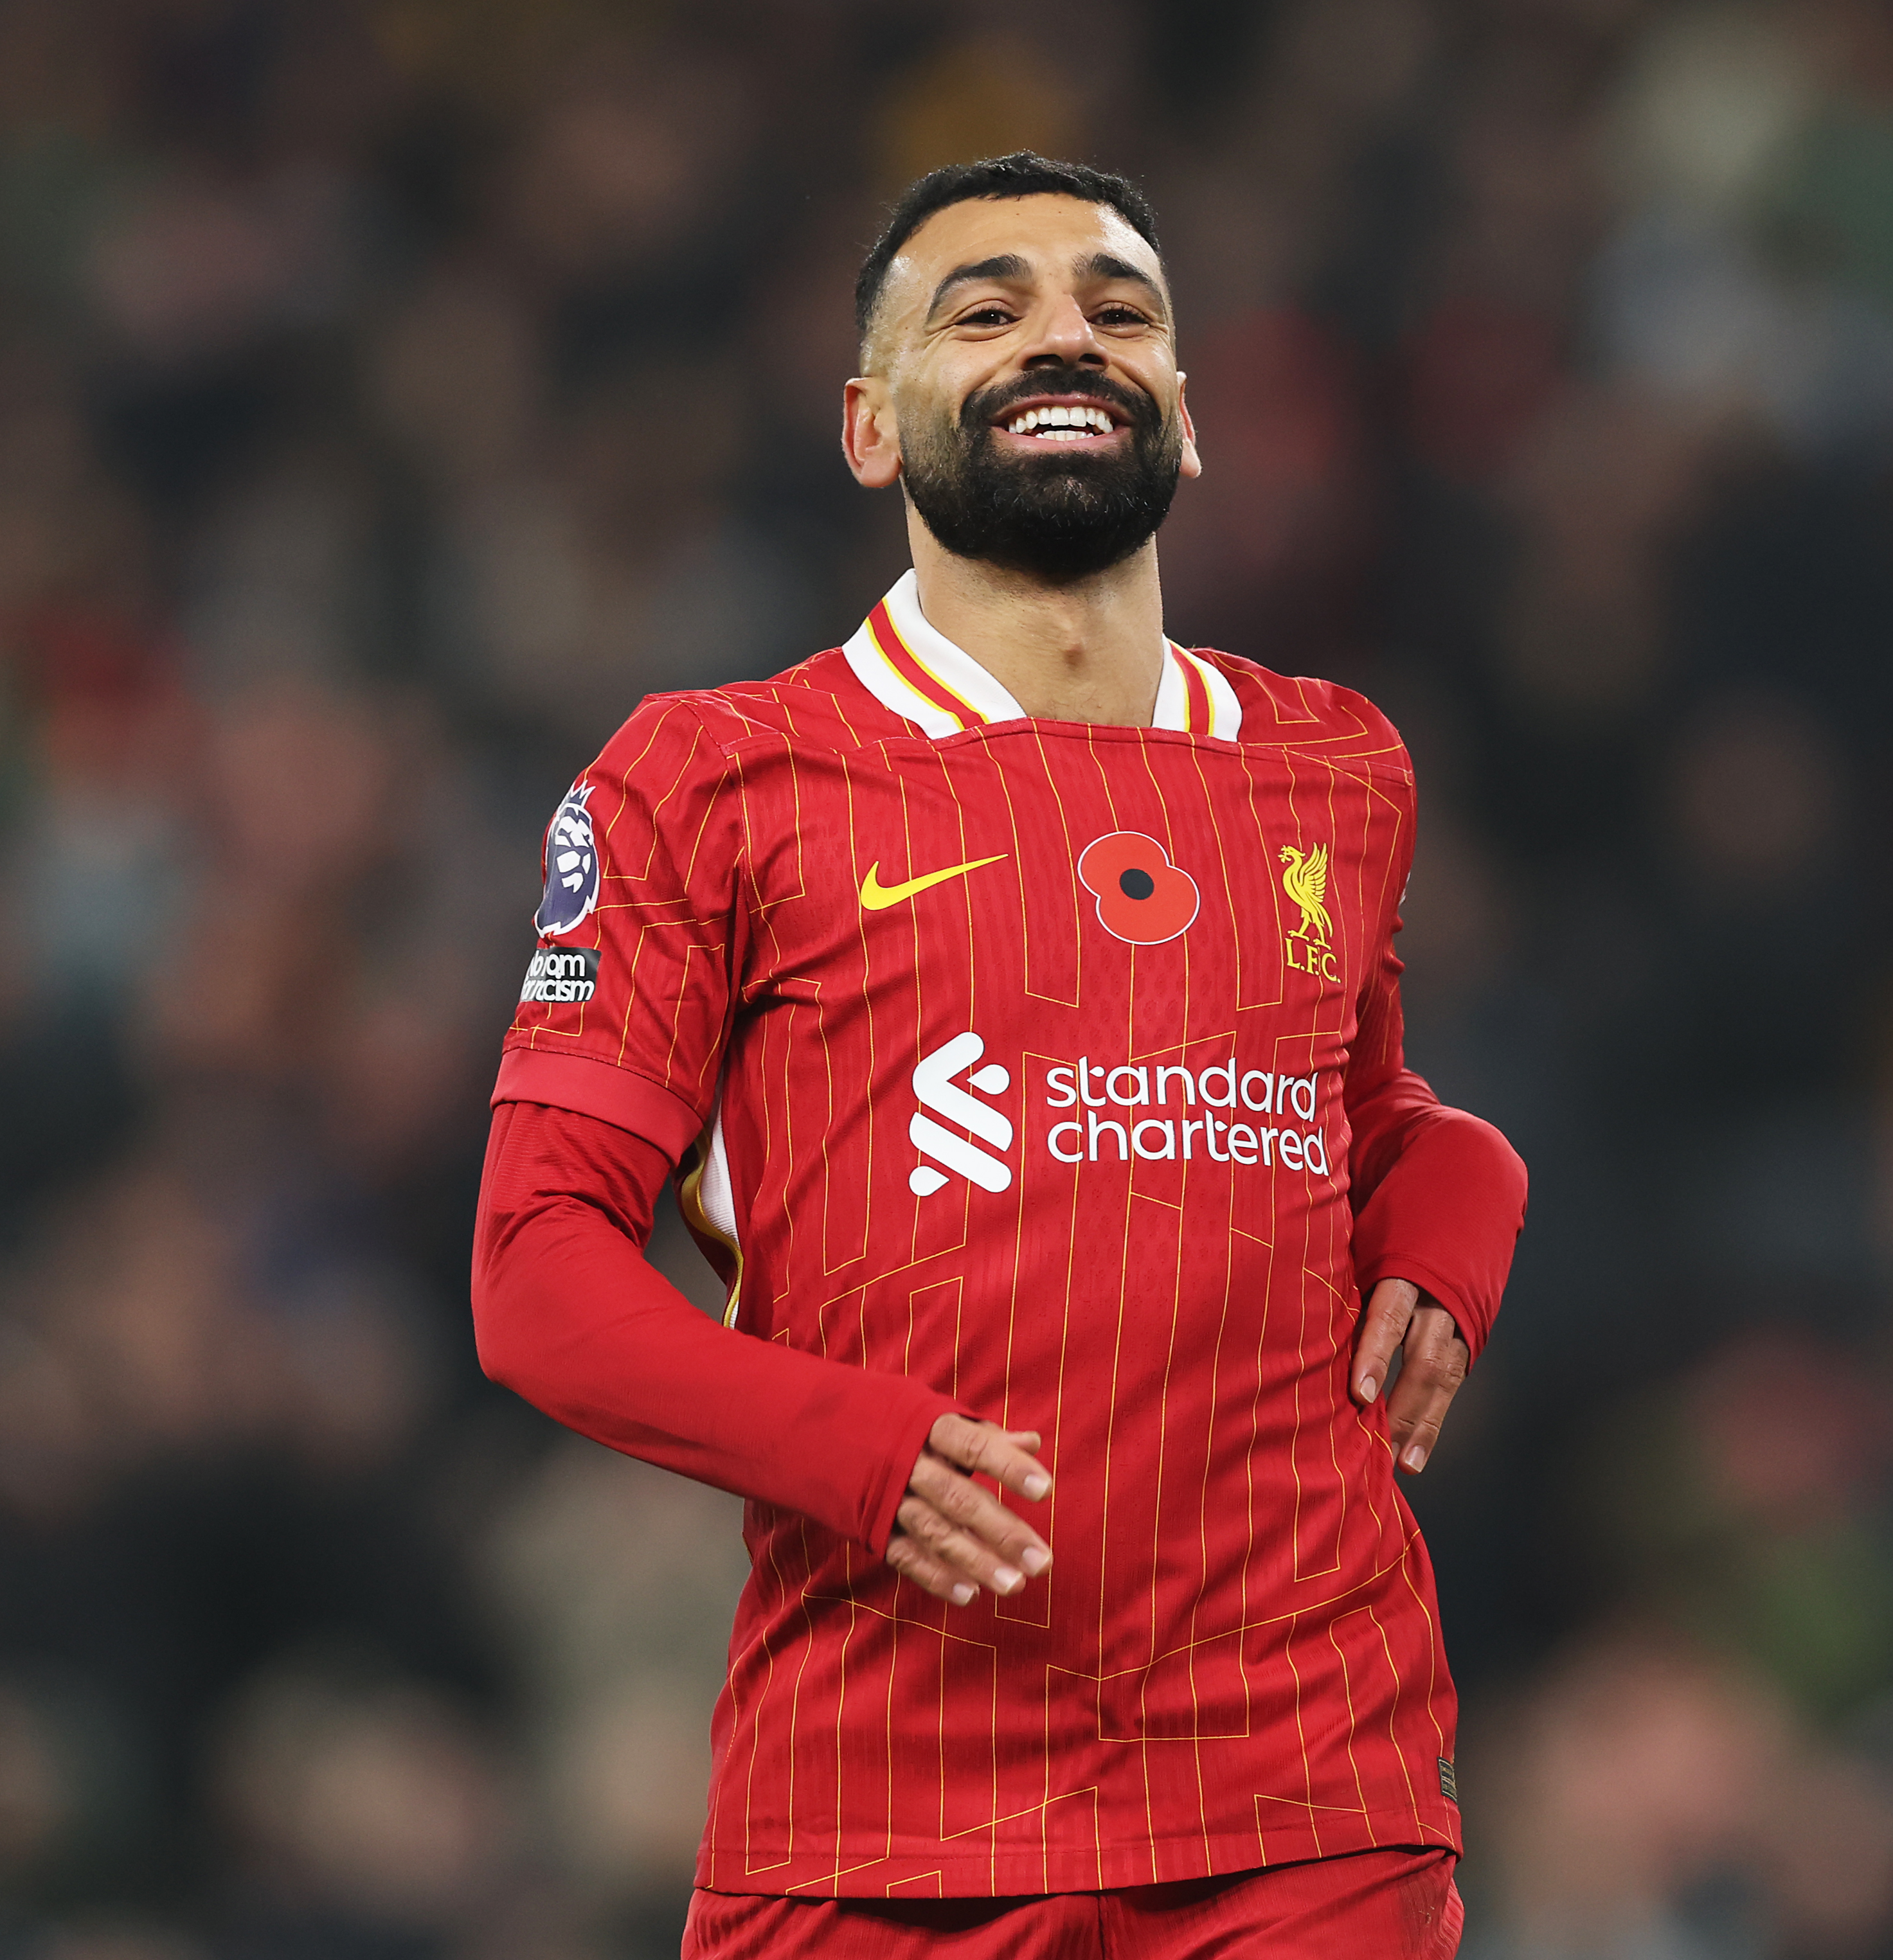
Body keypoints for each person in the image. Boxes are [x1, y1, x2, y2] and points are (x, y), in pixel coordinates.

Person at [471, 152, 1527, 1959]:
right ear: (873, 428)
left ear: (1187, 425)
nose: (1067, 333)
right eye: (989, 308)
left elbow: (1359, 1109)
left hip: (1304, 1791)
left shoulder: (1338, 765)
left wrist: (1457, 1199)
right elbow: (538, 1277)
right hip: (882, 1797)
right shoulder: (709, 776)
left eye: (1120, 311)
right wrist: (857, 1450)